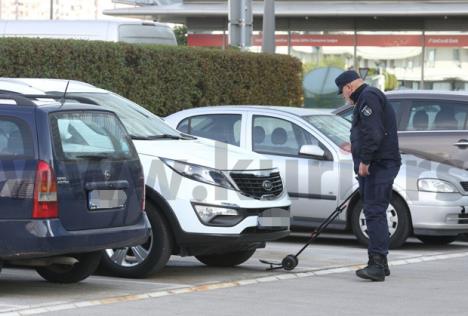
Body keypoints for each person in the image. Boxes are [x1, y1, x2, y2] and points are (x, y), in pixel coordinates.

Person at [335, 70, 401, 282]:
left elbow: (374, 132)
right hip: (380, 162)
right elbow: (370, 132)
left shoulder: (368, 97)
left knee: (373, 211)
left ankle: (377, 265)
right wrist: (355, 146)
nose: (345, 97)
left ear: (349, 87)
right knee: (375, 210)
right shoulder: (369, 96)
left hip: (378, 165)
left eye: (343, 92)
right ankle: (382, 263)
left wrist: (365, 160)